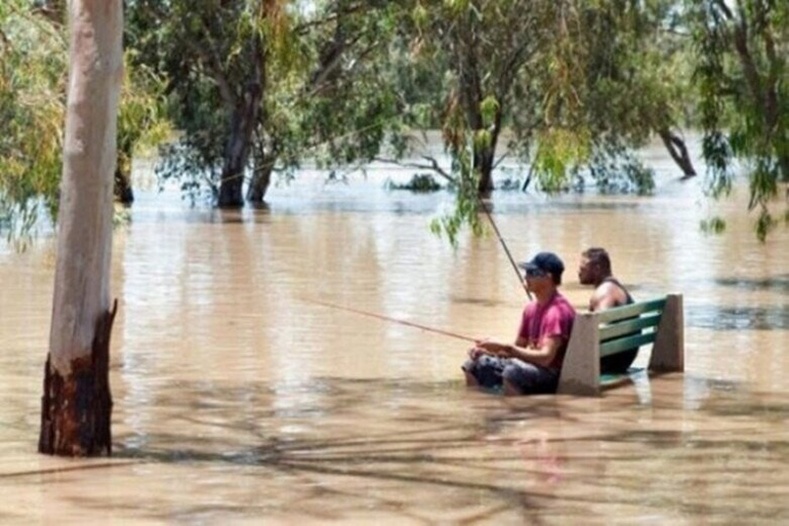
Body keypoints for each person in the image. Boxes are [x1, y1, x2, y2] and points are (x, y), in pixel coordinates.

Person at [462, 252, 576, 396]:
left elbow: (546, 359)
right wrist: (490, 350)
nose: (526, 277)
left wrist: (507, 347)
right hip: (531, 367)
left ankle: (513, 415)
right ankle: (481, 411)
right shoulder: (531, 309)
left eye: (531, 273)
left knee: (513, 372)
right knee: (474, 364)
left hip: (551, 374)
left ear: (548, 277)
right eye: (526, 272)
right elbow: (519, 346)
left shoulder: (557, 312)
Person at [577, 247, 637, 374]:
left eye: (583, 268)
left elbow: (598, 330)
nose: (579, 272)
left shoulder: (605, 292)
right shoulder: (616, 287)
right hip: (624, 359)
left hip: (609, 363)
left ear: (597, 268)